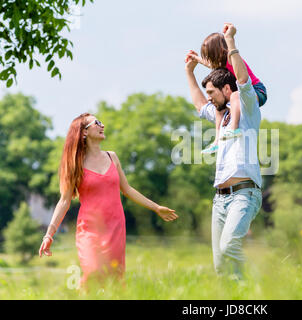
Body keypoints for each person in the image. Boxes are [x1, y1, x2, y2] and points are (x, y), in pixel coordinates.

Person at [38, 113, 178, 288]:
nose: (102, 125)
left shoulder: (112, 157)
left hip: (115, 228)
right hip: (90, 230)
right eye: (97, 123)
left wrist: (156, 207)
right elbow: (64, 202)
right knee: (93, 274)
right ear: (84, 133)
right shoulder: (75, 164)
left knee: (115, 280)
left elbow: (127, 190)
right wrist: (49, 234)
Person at [185, 23, 263, 278]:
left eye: (212, 92)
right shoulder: (221, 114)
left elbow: (243, 80)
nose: (208, 97)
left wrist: (230, 41)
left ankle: (271, 283)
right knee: (221, 266)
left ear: (226, 90)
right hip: (220, 198)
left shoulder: (247, 109)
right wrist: (190, 72)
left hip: (244, 193)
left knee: (230, 247)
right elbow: (199, 104)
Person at [187, 29, 267, 154]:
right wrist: (196, 59)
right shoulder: (220, 63)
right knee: (219, 109)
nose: (209, 60)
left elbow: (243, 79)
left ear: (218, 51)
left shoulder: (231, 58)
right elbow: (210, 65)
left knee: (235, 95)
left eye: (210, 56)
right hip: (241, 93)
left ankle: (234, 128)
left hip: (257, 90)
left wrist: (230, 39)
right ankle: (217, 141)